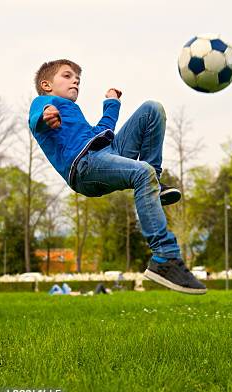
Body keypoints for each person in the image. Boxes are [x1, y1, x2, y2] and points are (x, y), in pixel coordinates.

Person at [28, 59, 205, 295]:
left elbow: (102, 132)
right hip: (84, 167)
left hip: (104, 152)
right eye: (68, 76)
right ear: (47, 84)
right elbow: (36, 118)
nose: (76, 82)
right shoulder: (44, 102)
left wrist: (111, 103)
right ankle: (165, 257)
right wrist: (46, 114)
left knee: (152, 109)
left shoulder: (74, 113)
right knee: (143, 172)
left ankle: (156, 185)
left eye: (78, 80)